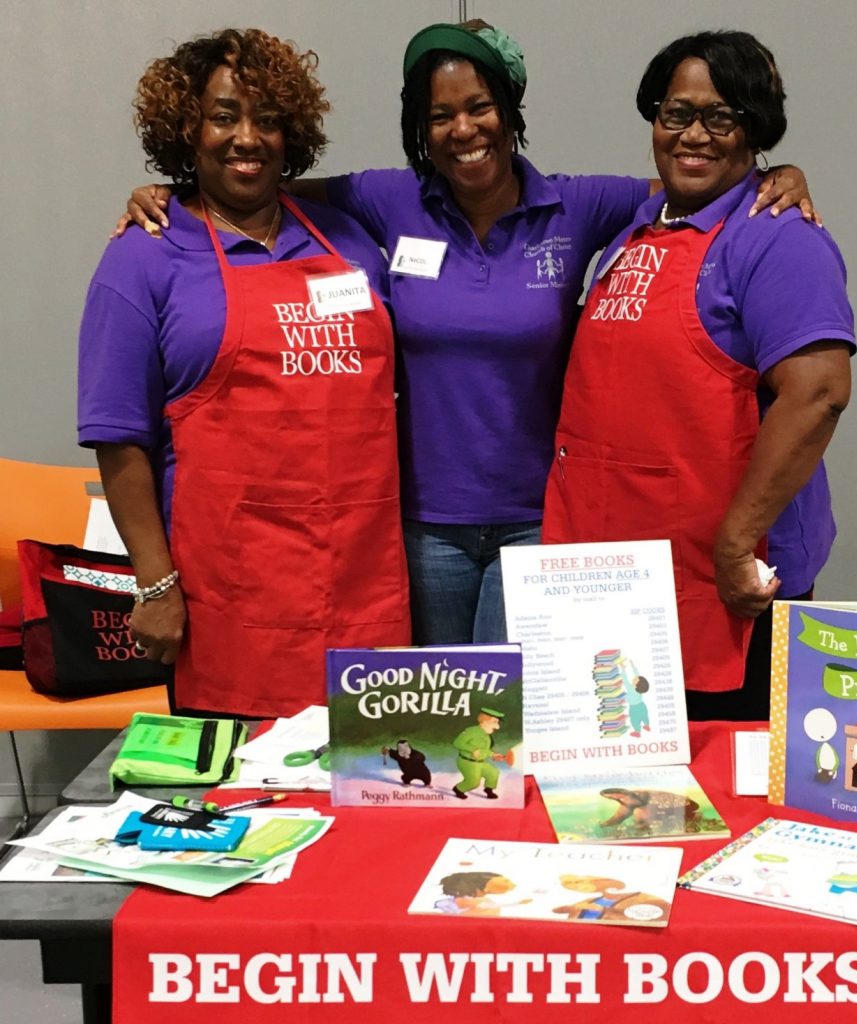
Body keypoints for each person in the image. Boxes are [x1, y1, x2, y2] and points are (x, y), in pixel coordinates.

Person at [120, 21, 817, 648]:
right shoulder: (384, 200)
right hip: (422, 527)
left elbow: (691, 178)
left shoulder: (576, 204)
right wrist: (170, 194)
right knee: (443, 728)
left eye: (479, 107)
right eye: (440, 115)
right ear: (419, 130)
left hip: (538, 520)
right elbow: (262, 184)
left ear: (508, 114)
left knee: (509, 724)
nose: (463, 129)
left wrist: (778, 173)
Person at [78, 29, 409, 719]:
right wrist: (155, 586)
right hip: (229, 599)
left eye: (266, 118)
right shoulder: (144, 258)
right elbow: (118, 438)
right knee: (244, 813)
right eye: (224, 116)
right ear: (186, 130)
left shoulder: (346, 240)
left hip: (364, 588)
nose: (247, 138)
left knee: (374, 798)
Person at [541, 30, 855, 721]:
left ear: (755, 128)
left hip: (718, 585)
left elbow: (819, 392)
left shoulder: (776, 235)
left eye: (721, 116)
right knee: (625, 798)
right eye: (676, 113)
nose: (695, 135)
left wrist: (736, 542)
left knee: (724, 801)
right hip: (619, 581)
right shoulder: (636, 229)